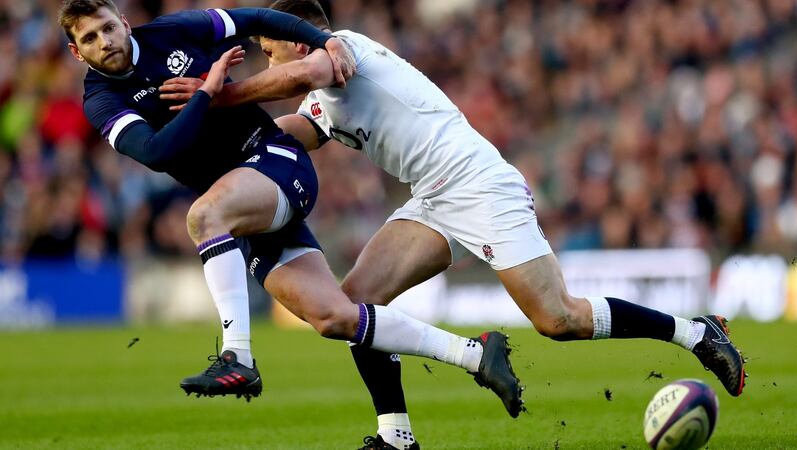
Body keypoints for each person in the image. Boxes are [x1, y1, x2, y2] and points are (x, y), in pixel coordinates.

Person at [160, 1, 747, 449]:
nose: (267, 60)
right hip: (432, 200)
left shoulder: (343, 50)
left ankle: (695, 333)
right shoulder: (319, 101)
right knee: (359, 305)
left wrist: (222, 95)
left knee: (558, 319)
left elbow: (297, 77)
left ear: (294, 40)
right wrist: (191, 126)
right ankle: (397, 437)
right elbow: (274, 140)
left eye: (269, 48)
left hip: (478, 184)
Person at [59, 0, 521, 429]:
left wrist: (326, 42)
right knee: (335, 318)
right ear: (76, 52)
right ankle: (475, 355)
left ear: (123, 21)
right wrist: (207, 94)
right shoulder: (100, 100)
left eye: (108, 27)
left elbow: (261, 17)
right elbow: (157, 152)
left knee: (203, 218)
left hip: (273, 160)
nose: (106, 41)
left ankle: (236, 355)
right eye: (91, 38)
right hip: (243, 204)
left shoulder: (174, 30)